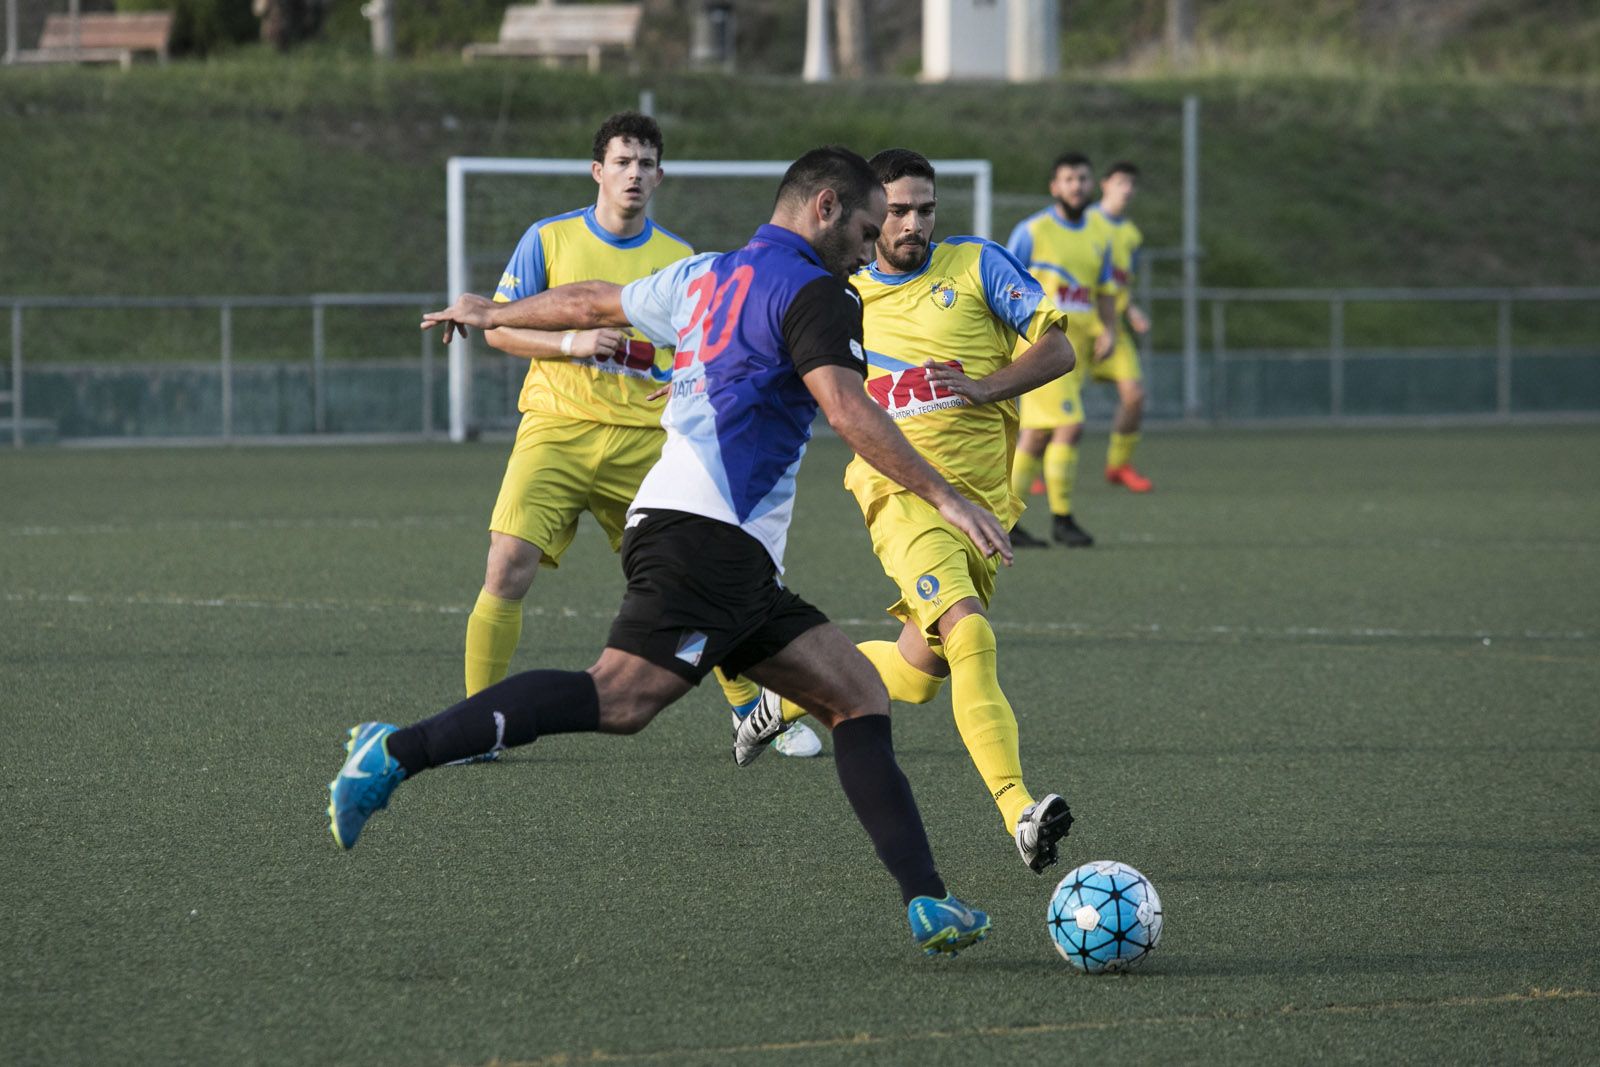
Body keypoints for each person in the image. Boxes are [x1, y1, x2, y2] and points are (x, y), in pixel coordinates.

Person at [328, 146, 1013, 958]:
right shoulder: (820, 292)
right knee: (620, 698)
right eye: (867, 229)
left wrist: (498, 313)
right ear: (825, 207)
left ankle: (929, 900)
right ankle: (395, 751)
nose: (870, 249)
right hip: (706, 536)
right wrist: (946, 493)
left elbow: (598, 303)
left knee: (858, 694)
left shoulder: (708, 274)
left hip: (720, 546)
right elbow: (845, 407)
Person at [726, 149, 1076, 874]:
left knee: (918, 672)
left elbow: (1059, 347)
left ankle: (785, 699)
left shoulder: (978, 266)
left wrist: (984, 387)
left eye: (925, 209)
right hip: (900, 495)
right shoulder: (838, 293)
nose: (912, 224)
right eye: (898, 211)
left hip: (983, 508)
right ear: (868, 215)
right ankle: (1019, 810)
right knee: (968, 632)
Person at [1004, 152, 1120, 548]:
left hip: (1080, 346)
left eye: (1083, 178)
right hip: (1042, 344)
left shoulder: (1100, 235)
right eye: (1068, 179)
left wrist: (1108, 329)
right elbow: (1003, 280)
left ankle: (1007, 519)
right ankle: (1062, 519)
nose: (1077, 186)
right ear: (1054, 186)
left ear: (1093, 185)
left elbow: (1103, 290)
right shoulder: (1031, 231)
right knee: (1069, 425)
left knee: (1036, 435)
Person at [1089, 161, 1153, 492]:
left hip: (1114, 325)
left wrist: (1131, 311)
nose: (1127, 189)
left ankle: (1119, 466)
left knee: (1135, 396)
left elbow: (1118, 286)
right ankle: (1031, 468)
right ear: (1105, 184)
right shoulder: (1084, 223)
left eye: (1131, 183)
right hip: (1079, 327)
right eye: (1120, 182)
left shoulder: (1131, 235)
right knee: (1050, 413)